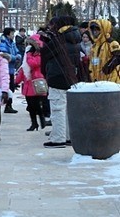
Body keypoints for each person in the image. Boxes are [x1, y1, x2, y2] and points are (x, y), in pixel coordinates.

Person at [40, 16, 81, 148]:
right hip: (70, 77)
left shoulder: (59, 39)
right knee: (67, 109)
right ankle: (68, 136)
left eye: (52, 25)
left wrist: (46, 39)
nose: (50, 27)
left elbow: (46, 53)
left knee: (58, 108)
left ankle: (58, 139)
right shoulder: (74, 37)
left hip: (57, 77)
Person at [15, 34, 47, 131]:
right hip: (28, 83)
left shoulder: (40, 54)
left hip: (36, 82)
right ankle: (34, 123)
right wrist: (16, 81)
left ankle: (42, 119)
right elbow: (23, 69)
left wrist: (28, 55)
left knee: (36, 104)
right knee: (30, 106)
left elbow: (33, 64)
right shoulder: (28, 55)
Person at [0, 27, 21, 113]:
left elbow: (18, 53)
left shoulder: (12, 43)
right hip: (5, 69)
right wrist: (15, 58)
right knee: (6, 88)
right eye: (12, 34)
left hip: (11, 69)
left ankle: (9, 105)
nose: (13, 35)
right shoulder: (3, 43)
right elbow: (5, 55)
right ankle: (5, 104)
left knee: (11, 87)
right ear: (8, 34)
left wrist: (15, 57)